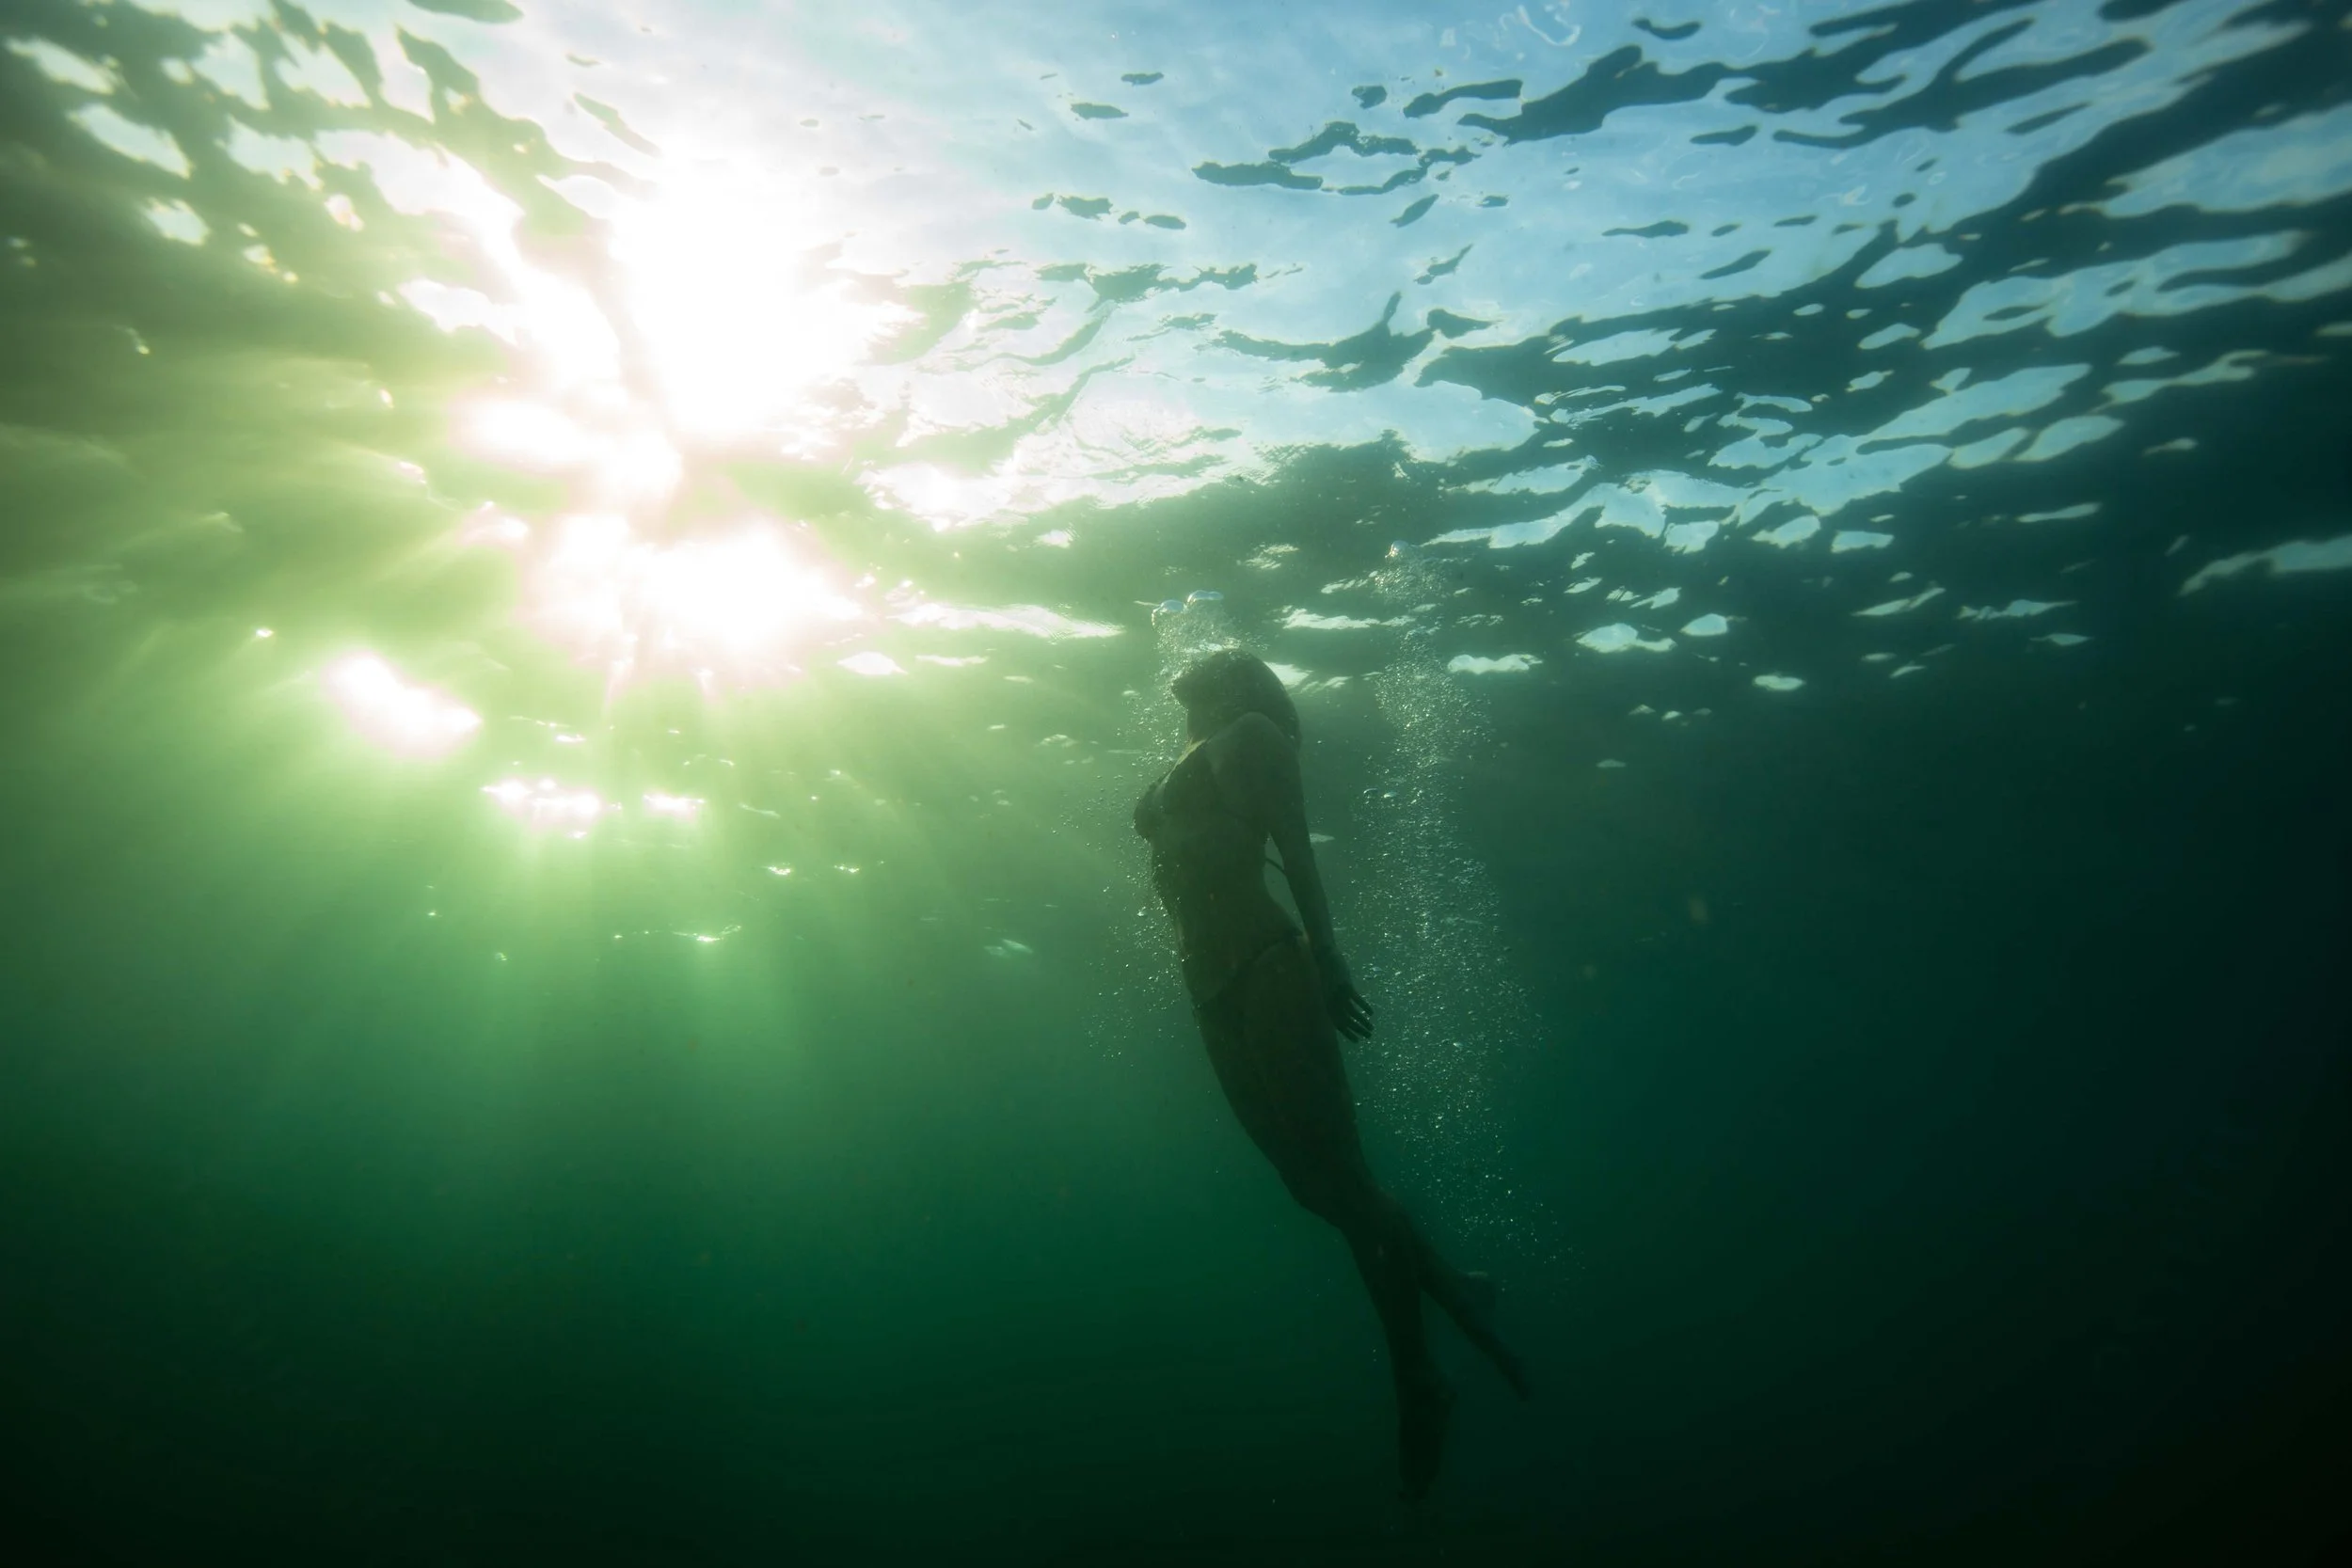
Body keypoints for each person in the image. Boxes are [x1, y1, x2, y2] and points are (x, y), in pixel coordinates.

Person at [1133, 646, 1530, 1498]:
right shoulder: (1196, 750)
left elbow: (1294, 852)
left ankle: (1419, 1377)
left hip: (1271, 966)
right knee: (1309, 1187)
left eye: (1198, 676)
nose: (1183, 687)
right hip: (1213, 991)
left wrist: (1332, 958)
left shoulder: (1252, 733)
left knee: (1344, 1182)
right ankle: (1459, 1290)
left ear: (1234, 680)